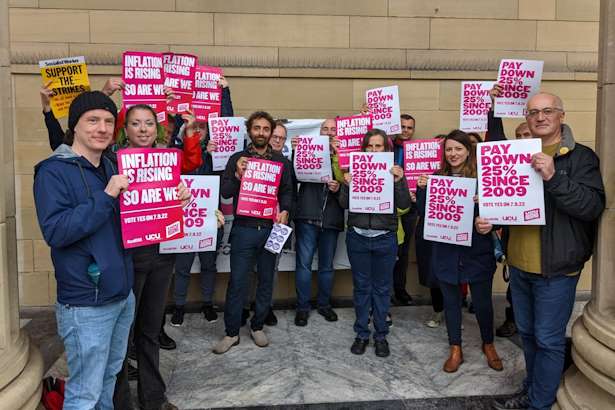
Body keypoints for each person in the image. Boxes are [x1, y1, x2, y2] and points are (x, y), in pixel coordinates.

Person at [484, 93, 605, 410]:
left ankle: (539, 403)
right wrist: (491, 218)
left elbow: (591, 206)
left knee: (548, 340)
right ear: (526, 117)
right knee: (527, 334)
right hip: (519, 266)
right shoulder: (518, 153)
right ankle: (532, 389)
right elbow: (509, 200)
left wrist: (553, 176)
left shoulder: (580, 157)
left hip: (557, 270)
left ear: (561, 115)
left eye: (547, 110)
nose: (540, 117)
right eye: (533, 112)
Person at [33, 91, 135, 409]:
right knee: (84, 393)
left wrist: (172, 202)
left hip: (122, 295)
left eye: (108, 121)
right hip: (86, 304)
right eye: (92, 120)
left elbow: (135, 219)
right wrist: (106, 195)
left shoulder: (112, 165)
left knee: (108, 378)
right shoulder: (52, 171)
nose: (102, 128)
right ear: (74, 125)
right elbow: (56, 231)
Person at [119, 104, 191, 410]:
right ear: (126, 129)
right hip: (128, 258)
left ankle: (153, 398)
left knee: (149, 329)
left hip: (162, 256)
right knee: (123, 335)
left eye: (149, 123)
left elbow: (175, 203)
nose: (143, 129)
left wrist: (183, 196)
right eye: (136, 123)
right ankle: (121, 401)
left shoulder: (167, 162)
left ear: (156, 128)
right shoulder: (113, 162)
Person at [416, 130, 502, 374]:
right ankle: (455, 348)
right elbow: (424, 212)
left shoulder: (483, 178)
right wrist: (422, 189)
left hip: (477, 251)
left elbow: (499, 212)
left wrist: (486, 212)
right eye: (449, 149)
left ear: (468, 150)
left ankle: (488, 344)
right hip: (446, 251)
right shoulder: (436, 178)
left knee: (483, 303)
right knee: (451, 303)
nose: (453, 154)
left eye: (458, 149)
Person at [213, 111, 294, 354]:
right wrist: (238, 175)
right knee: (238, 281)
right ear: (249, 131)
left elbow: (288, 192)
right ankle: (231, 332)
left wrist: (285, 210)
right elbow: (225, 192)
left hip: (271, 229)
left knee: (266, 280)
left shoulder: (282, 162)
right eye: (257, 128)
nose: (261, 132)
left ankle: (257, 326)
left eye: (265, 129)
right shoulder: (237, 159)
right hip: (243, 230)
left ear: (271, 132)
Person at [338, 129, 411, 358]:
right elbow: (343, 204)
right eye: (369, 146)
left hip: (385, 238)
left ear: (386, 149)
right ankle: (361, 334)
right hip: (358, 237)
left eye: (378, 146)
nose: (373, 150)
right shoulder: (353, 171)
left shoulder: (394, 172)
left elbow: (405, 204)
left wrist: (399, 181)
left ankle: (380, 335)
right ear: (364, 149)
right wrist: (346, 184)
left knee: (382, 289)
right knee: (361, 288)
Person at [169, 75, 235, 326]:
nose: (197, 131)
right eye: (194, 127)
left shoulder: (218, 156)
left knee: (209, 265)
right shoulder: (176, 153)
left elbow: (227, 124)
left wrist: (224, 92)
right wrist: (173, 99)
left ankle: (207, 304)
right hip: (185, 218)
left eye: (202, 128)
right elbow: (173, 130)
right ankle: (179, 307)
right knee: (182, 267)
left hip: (210, 218)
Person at [486, 83, 533, 339]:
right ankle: (514, 319)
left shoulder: (551, 158)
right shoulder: (511, 156)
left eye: (528, 134)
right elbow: (495, 139)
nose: (524, 139)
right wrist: (494, 108)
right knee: (516, 281)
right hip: (515, 234)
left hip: (544, 233)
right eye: (519, 135)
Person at [293, 118, 345, 326]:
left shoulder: (345, 156)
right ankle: (302, 308)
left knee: (326, 267)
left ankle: (324, 305)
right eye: (326, 129)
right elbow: (294, 177)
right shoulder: (307, 150)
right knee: (303, 265)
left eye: (333, 129)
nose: (330, 132)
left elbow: (353, 187)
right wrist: (297, 153)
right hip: (307, 216)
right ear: (320, 132)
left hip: (331, 219)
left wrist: (338, 187)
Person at [391, 114, 417, 306]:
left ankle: (400, 289)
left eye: (409, 127)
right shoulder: (386, 147)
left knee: (404, 250)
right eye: (403, 126)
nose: (406, 130)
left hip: (410, 205)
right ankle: (385, 291)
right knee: (387, 250)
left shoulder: (418, 150)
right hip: (387, 206)